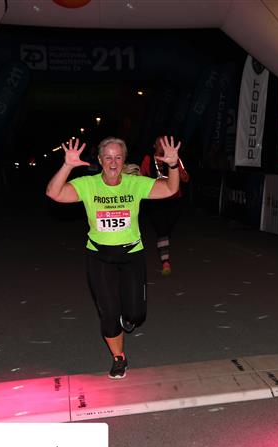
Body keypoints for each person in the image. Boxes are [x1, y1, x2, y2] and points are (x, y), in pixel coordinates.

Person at [45, 135, 181, 379]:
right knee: (109, 313)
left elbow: (171, 189)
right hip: (100, 256)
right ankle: (119, 357)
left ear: (124, 160)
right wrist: (67, 166)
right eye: (108, 157)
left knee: (136, 315)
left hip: (131, 255)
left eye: (118, 157)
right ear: (99, 160)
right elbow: (54, 193)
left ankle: (127, 316)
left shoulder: (135, 183)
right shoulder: (88, 184)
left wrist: (172, 165)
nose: (113, 162)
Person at [140, 136, 190, 275]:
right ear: (154, 145)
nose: (162, 146)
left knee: (167, 229)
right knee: (162, 230)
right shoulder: (148, 159)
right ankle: (166, 262)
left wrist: (179, 172)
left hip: (174, 200)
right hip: (156, 200)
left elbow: (186, 178)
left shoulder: (174, 158)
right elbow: (141, 176)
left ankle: (163, 245)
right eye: (159, 143)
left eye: (164, 143)